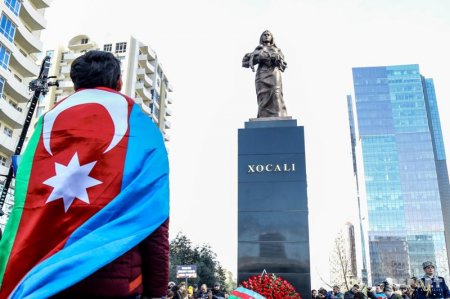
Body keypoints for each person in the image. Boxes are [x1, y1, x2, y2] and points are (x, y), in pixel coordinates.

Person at [0, 50, 170, 299]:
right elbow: (155, 220)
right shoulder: (143, 129)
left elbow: (23, 210)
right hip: (118, 282)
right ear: (119, 82)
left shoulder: (45, 126)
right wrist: (157, 292)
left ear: (76, 82)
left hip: (45, 281)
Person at [242, 30, 288, 118]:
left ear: (272, 38)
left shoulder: (277, 49)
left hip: (274, 74)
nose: (266, 36)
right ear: (261, 38)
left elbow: (282, 62)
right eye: (264, 35)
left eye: (268, 35)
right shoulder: (258, 49)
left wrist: (276, 58)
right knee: (262, 98)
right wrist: (259, 57)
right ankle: (263, 116)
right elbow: (245, 63)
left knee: (276, 93)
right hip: (261, 75)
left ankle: (279, 115)